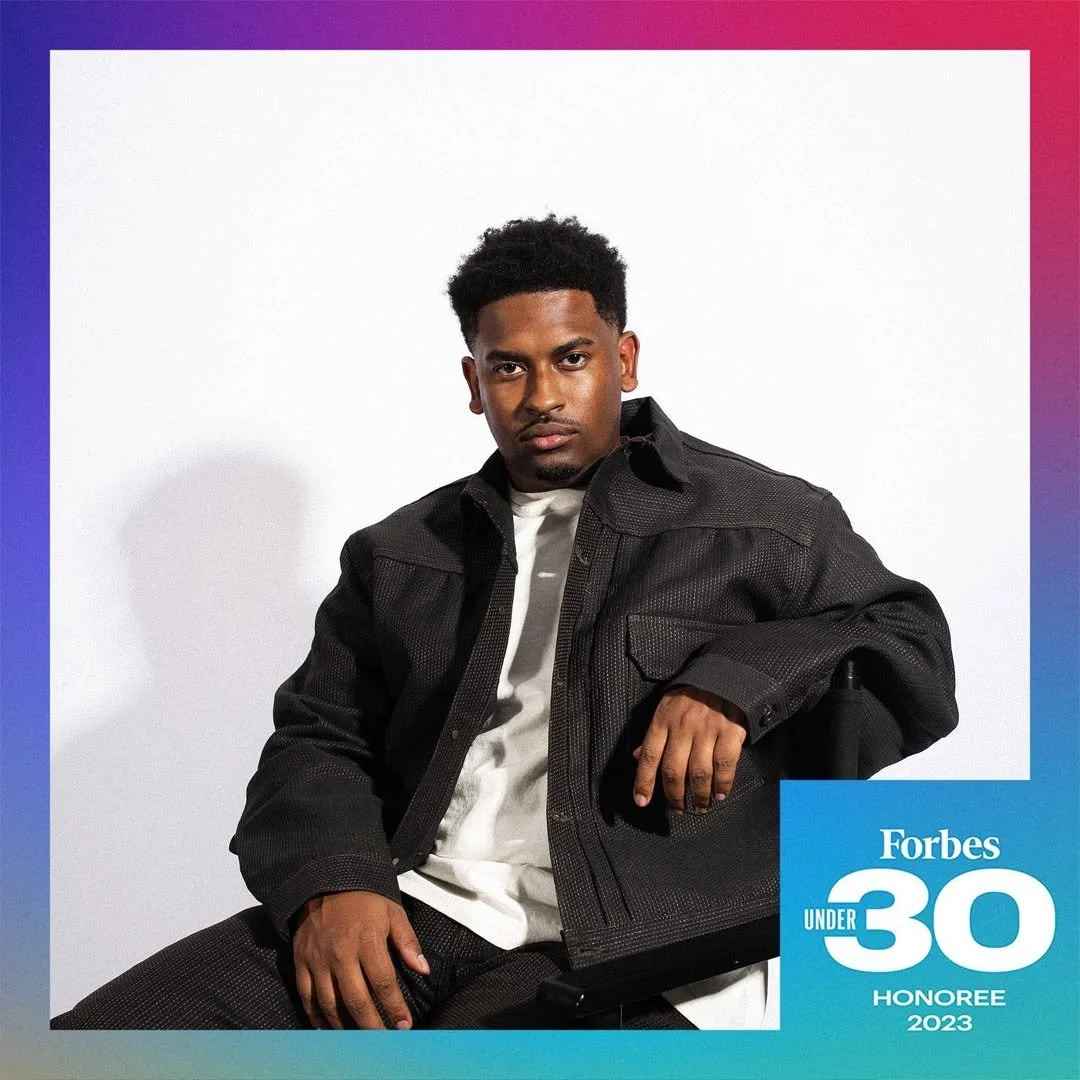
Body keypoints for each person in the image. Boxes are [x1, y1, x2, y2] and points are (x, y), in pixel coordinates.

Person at [52, 215, 958, 1030]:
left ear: (625, 358)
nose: (540, 396)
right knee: (103, 1040)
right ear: (472, 380)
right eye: (508, 366)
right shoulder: (402, 552)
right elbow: (320, 736)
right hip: (420, 908)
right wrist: (333, 882)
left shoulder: (763, 518)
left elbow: (907, 639)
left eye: (572, 358)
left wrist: (735, 683)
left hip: (633, 941)